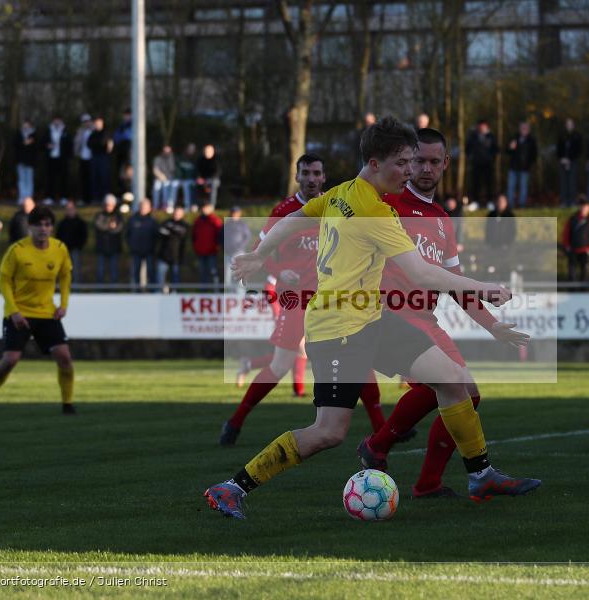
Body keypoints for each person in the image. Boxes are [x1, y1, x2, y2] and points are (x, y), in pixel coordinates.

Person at [204, 116, 540, 520]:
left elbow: (298, 218)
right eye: (402, 163)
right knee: (328, 432)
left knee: (454, 381)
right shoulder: (374, 212)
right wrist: (483, 286)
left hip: (370, 318)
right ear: (377, 162)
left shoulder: (343, 192)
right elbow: (422, 274)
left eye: (414, 162)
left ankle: (480, 474)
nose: (410, 171)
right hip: (338, 332)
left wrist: (260, 252)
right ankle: (231, 487)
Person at [357, 127, 530, 498]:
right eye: (418, 160)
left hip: (424, 318)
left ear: (446, 164)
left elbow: (454, 283)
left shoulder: (441, 220)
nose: (425, 168)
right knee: (448, 385)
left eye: (435, 161)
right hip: (390, 313)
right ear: (407, 160)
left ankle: (413, 473)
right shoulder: (387, 203)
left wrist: (493, 325)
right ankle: (390, 452)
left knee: (467, 393)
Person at [220, 154, 385, 443]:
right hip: (297, 300)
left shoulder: (337, 205)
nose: (311, 178)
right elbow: (261, 254)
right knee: (280, 365)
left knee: (359, 358)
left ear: (324, 177)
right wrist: (280, 270)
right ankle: (235, 422)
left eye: (316, 173)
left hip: (333, 299)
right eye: (305, 172)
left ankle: (382, 429)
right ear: (297, 176)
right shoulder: (284, 211)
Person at [0, 206, 75, 415]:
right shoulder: (17, 250)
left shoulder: (60, 248)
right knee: (9, 361)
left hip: (47, 313)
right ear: (29, 227)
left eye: (47, 225)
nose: (43, 229)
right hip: (19, 313)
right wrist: (13, 310)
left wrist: (63, 305)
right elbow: (4, 281)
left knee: (64, 357)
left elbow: (65, 276)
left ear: (52, 228)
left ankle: (68, 404)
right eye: (38, 225)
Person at [563, 197, 589, 283]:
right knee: (572, 271)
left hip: (585, 250)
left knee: (584, 272)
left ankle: (584, 292)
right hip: (573, 249)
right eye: (582, 206)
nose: (583, 208)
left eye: (586, 207)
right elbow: (566, 233)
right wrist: (567, 246)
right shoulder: (572, 219)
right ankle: (572, 291)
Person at [126, 198, 159, 289]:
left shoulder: (153, 221)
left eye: (145, 207)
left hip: (149, 251)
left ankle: (152, 292)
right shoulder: (132, 219)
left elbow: (157, 236)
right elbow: (127, 235)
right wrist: (132, 246)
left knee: (151, 272)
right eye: (142, 206)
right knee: (136, 272)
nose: (143, 208)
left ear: (149, 208)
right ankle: (137, 293)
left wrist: (153, 247)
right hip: (136, 251)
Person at [465, 119, 498, 207]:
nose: (482, 128)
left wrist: (491, 157)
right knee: (476, 184)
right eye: (480, 126)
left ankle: (490, 202)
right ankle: (475, 202)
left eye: (483, 126)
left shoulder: (491, 136)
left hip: (488, 164)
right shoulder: (473, 136)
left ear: (487, 127)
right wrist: (471, 156)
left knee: (489, 184)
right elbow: (467, 148)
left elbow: (496, 149)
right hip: (476, 164)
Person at [505, 121, 537, 208]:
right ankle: (510, 205)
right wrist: (510, 148)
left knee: (523, 188)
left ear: (528, 130)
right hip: (513, 167)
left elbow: (534, 155)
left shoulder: (531, 141)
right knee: (511, 187)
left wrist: (529, 165)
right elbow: (507, 151)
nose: (524, 130)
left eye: (526, 128)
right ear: (520, 129)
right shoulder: (514, 138)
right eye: (522, 128)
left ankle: (521, 205)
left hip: (525, 168)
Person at [56, 200, 88, 284]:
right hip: (64, 250)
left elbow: (84, 236)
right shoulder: (62, 223)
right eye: (67, 209)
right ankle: (65, 287)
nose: (69, 211)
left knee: (76, 269)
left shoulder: (80, 222)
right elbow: (58, 236)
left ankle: (76, 287)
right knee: (64, 270)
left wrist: (79, 246)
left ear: (75, 209)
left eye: (71, 208)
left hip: (75, 250)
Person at [156, 206, 189, 289]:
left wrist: (170, 231)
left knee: (175, 276)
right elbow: (160, 231)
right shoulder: (166, 222)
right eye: (175, 213)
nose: (176, 215)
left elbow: (181, 234)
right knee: (160, 275)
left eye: (179, 213)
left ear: (182, 214)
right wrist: (173, 232)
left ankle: (175, 292)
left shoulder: (184, 225)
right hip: (164, 255)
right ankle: (159, 292)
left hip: (176, 255)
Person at [94, 194, 124, 284]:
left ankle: (114, 293)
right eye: (107, 204)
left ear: (114, 205)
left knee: (113, 272)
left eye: (111, 205)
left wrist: (108, 227)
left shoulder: (118, 216)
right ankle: (99, 292)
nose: (109, 207)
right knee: (100, 272)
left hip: (114, 248)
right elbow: (98, 226)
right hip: (101, 248)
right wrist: (110, 226)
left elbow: (118, 229)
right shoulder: (99, 215)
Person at [42, 116, 71, 206]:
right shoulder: (48, 130)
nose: (57, 122)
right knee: (51, 178)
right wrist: (48, 146)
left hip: (62, 158)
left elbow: (70, 144)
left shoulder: (65, 131)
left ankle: (64, 197)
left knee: (63, 178)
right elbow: (43, 142)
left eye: (58, 120)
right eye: (55, 120)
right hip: (51, 158)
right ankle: (50, 197)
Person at [192, 202, 222, 285]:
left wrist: (217, 246)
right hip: (201, 251)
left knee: (213, 271)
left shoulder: (215, 221)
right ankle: (203, 291)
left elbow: (219, 235)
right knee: (202, 272)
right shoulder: (198, 221)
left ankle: (216, 291)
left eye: (206, 208)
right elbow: (194, 235)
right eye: (203, 207)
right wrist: (196, 247)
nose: (204, 209)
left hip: (212, 251)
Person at [556, 117, 582, 207]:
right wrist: (562, 159)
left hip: (573, 162)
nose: (569, 126)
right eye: (567, 124)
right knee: (563, 182)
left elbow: (578, 150)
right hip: (562, 162)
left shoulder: (577, 136)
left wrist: (570, 159)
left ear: (573, 125)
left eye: (571, 124)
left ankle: (572, 201)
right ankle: (563, 201)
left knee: (572, 182)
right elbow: (558, 149)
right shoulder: (562, 135)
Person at [87, 117, 112, 203]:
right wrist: (97, 144)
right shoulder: (93, 133)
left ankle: (105, 197)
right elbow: (89, 144)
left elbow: (103, 143)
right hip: (95, 158)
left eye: (99, 123)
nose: (97, 125)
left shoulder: (106, 133)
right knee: (95, 177)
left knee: (104, 177)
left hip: (103, 158)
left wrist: (97, 145)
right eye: (96, 123)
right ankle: (96, 198)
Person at [13, 120, 38, 203]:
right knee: (21, 180)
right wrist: (24, 143)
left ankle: (29, 197)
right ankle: (22, 197)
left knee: (29, 180)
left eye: (27, 126)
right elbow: (15, 146)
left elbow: (36, 148)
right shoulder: (18, 134)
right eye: (24, 126)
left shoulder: (34, 135)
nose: (26, 128)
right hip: (20, 161)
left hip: (30, 162)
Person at [73, 114, 94, 205]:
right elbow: (76, 143)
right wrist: (76, 153)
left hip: (92, 158)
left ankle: (91, 198)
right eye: (84, 121)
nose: (86, 123)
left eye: (87, 121)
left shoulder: (94, 130)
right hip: (83, 157)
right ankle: (84, 198)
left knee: (91, 179)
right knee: (83, 179)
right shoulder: (80, 131)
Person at [152, 145, 178, 211]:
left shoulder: (173, 159)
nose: (167, 152)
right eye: (165, 150)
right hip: (160, 178)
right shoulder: (158, 158)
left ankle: (168, 205)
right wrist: (162, 176)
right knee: (158, 186)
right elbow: (155, 170)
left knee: (174, 184)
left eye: (168, 151)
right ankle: (156, 206)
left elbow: (175, 171)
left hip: (170, 179)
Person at [176, 143, 198, 209]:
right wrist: (181, 178)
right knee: (186, 185)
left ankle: (194, 205)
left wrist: (197, 178)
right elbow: (178, 170)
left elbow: (198, 171)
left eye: (192, 149)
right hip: (184, 180)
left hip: (194, 179)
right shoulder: (182, 158)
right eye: (190, 149)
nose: (191, 150)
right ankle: (187, 206)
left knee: (194, 186)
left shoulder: (196, 159)